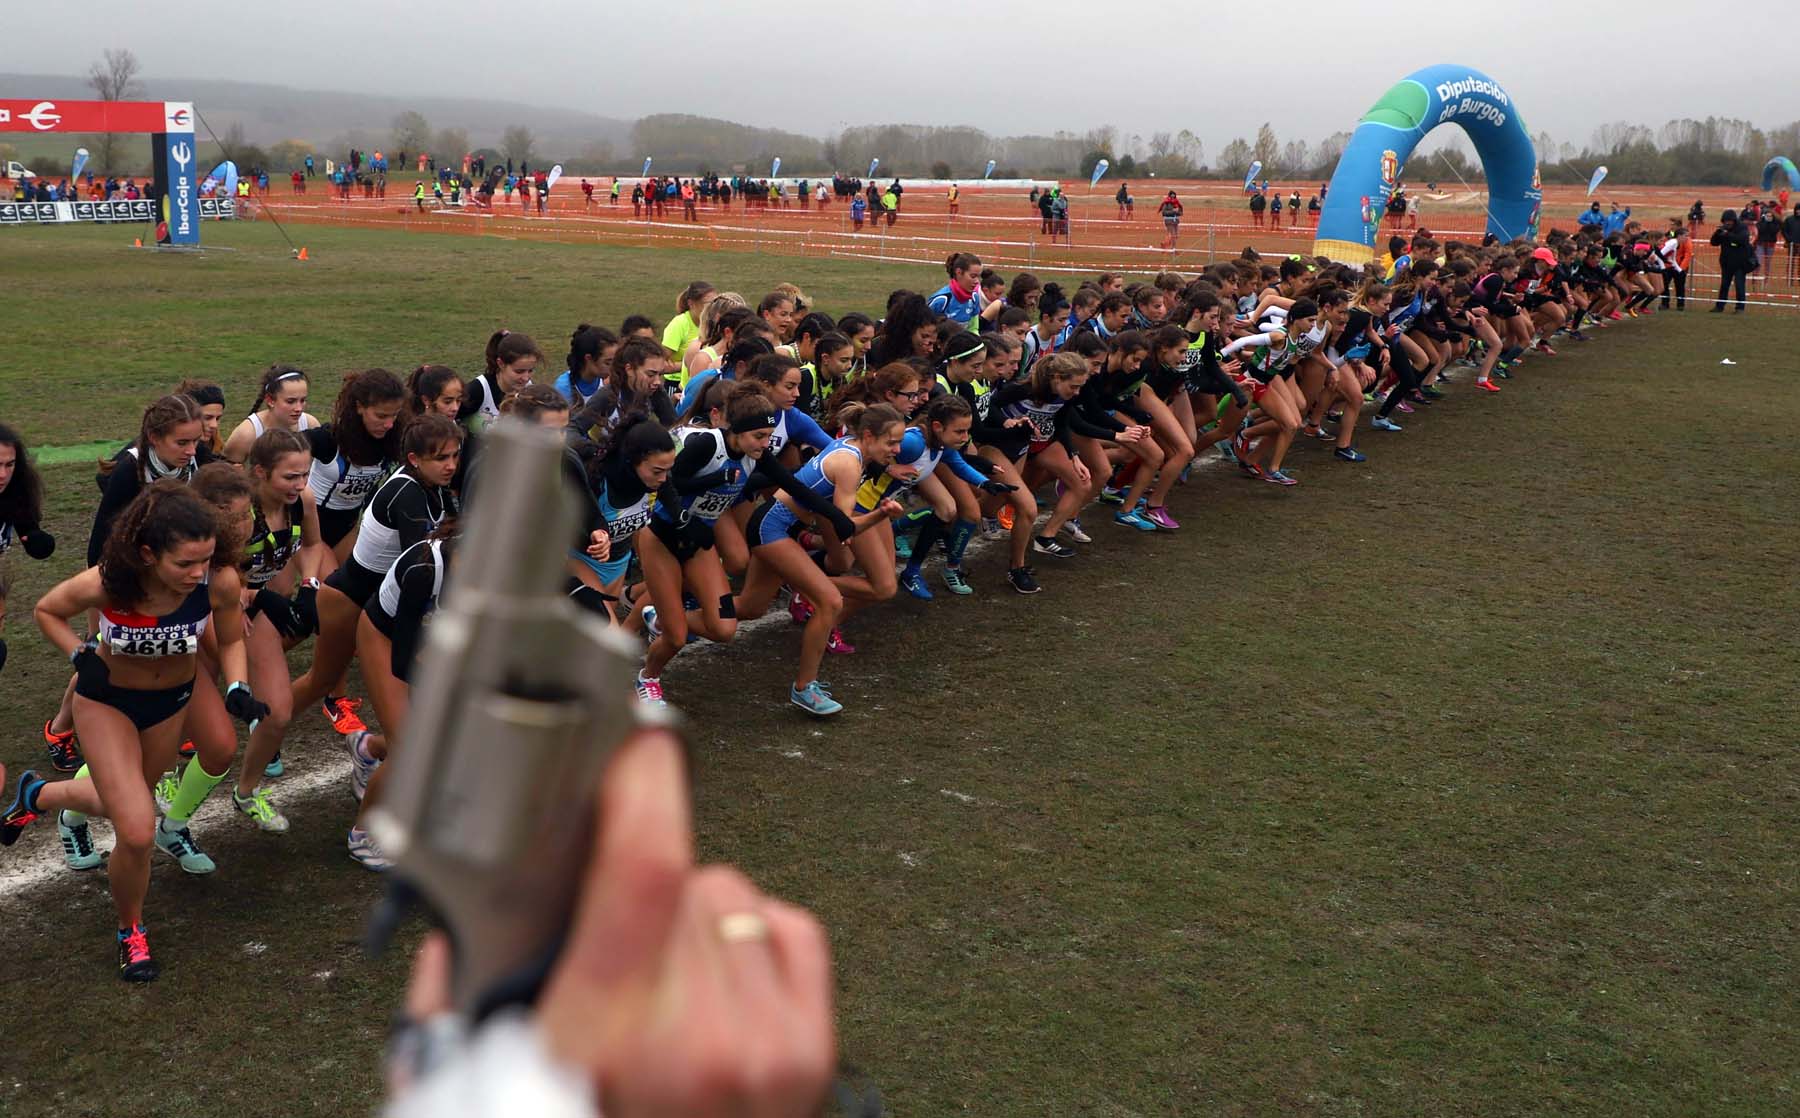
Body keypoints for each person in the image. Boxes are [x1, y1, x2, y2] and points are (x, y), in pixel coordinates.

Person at [5, 481, 267, 981]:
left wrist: (236, 685)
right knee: (138, 827)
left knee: (128, 803)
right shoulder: (110, 582)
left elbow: (231, 637)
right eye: (184, 564)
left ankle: (39, 796)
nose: (197, 574)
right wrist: (79, 655)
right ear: (147, 553)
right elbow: (47, 610)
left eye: (206, 560)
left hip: (170, 705)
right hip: (107, 705)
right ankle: (132, 930)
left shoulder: (219, 581)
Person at [0, 424, 56, 679]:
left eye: (9, 465)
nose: (2, 474)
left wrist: (34, 538)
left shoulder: (15, 491)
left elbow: (28, 529)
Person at [1709, 209, 1754, 312]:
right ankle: (1719, 306)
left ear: (1734, 220)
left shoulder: (1742, 227)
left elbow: (1742, 240)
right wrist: (1717, 233)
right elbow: (1713, 243)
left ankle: (1740, 308)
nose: (1728, 223)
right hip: (1726, 263)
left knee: (1739, 285)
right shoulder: (1723, 229)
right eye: (1725, 221)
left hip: (1740, 263)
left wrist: (1727, 235)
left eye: (1730, 220)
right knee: (1724, 285)